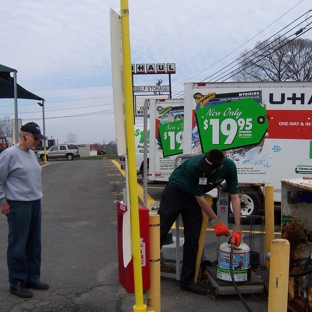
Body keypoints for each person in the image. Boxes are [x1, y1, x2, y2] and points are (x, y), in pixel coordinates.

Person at [158, 149, 242, 295]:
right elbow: (201, 200)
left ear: (220, 167)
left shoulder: (229, 167)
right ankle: (143, 273)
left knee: (193, 237)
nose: (206, 171)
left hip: (193, 198)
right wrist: (217, 222)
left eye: (210, 170)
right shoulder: (194, 166)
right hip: (175, 192)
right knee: (160, 231)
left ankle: (187, 282)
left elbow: (235, 198)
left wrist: (237, 228)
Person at [0, 122, 49, 298]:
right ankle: (17, 281)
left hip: (35, 202)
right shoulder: (9, 155)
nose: (38, 142)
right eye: (35, 139)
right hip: (18, 205)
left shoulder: (30, 154)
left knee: (34, 243)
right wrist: (2, 202)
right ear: (24, 136)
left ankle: (31, 278)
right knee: (18, 245)